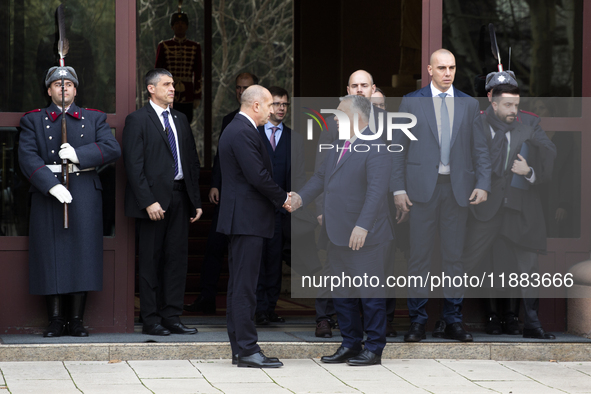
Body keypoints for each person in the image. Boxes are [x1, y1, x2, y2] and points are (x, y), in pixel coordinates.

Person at [390, 49, 491, 342]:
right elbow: (399, 149)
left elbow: (480, 150)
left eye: (452, 68)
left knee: (454, 259)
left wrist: (483, 183)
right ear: (430, 69)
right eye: (442, 68)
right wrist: (398, 188)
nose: (448, 73)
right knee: (419, 258)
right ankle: (418, 322)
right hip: (421, 192)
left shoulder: (469, 105)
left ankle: (453, 322)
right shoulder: (411, 101)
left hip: (456, 191)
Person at [18, 66, 121, 337]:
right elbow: (27, 157)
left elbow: (112, 148)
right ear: (48, 89)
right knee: (49, 254)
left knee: (82, 254)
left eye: (68, 84)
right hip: (47, 193)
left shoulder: (94, 118)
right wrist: (50, 186)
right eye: (57, 84)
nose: (63, 88)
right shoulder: (34, 120)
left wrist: (79, 154)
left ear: (75, 89)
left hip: (84, 191)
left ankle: (75, 320)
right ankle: (54, 319)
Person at [291, 95, 392, 366]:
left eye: (339, 114)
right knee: (343, 294)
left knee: (369, 295)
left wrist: (363, 226)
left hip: (364, 237)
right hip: (337, 234)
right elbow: (320, 178)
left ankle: (374, 348)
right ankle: (350, 344)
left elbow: (376, 193)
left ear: (356, 118)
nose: (334, 118)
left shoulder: (377, 147)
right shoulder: (337, 145)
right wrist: (300, 198)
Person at [461, 83, 557, 339]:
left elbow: (548, 149)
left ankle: (533, 325)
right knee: (467, 263)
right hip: (486, 205)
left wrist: (530, 172)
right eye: (508, 105)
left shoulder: (529, 123)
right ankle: (450, 319)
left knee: (528, 268)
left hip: (520, 206)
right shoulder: (478, 124)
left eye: (516, 104)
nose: (514, 110)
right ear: (493, 102)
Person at [123, 68, 202, 336]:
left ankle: (172, 316)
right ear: (151, 88)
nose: (173, 89)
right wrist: (148, 201)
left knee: (176, 260)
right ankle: (151, 318)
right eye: (167, 84)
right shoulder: (137, 120)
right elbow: (133, 166)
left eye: (173, 85)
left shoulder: (180, 119)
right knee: (150, 261)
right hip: (153, 204)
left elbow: (191, 161)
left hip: (180, 198)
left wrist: (196, 200)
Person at [217, 85, 289, 368]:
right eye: (270, 105)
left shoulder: (238, 129)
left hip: (244, 218)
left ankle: (240, 348)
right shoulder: (243, 131)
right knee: (244, 287)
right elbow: (257, 176)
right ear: (256, 105)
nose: (273, 110)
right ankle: (247, 348)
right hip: (247, 219)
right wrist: (283, 197)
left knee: (239, 286)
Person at [184, 72, 258, 314]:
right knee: (214, 247)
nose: (240, 92)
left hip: (254, 199)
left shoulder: (264, 120)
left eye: (245, 88)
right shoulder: (229, 119)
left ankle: (257, 307)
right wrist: (215, 183)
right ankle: (207, 298)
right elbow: (221, 156)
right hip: (228, 195)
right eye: (237, 88)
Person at [254, 86, 306, 325]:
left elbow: (300, 174)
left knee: (274, 261)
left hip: (282, 211)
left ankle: (270, 308)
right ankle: (257, 309)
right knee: (257, 261)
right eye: (276, 104)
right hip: (257, 208)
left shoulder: (294, 138)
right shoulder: (253, 133)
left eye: (284, 104)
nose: (281, 108)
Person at [155, 8, 202, 124]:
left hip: (188, 93)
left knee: (186, 123)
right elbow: (157, 72)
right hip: (168, 92)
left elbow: (198, 72)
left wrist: (197, 95)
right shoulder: (164, 46)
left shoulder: (194, 47)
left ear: (186, 26)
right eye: (176, 23)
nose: (180, 26)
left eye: (182, 23)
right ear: (172, 27)